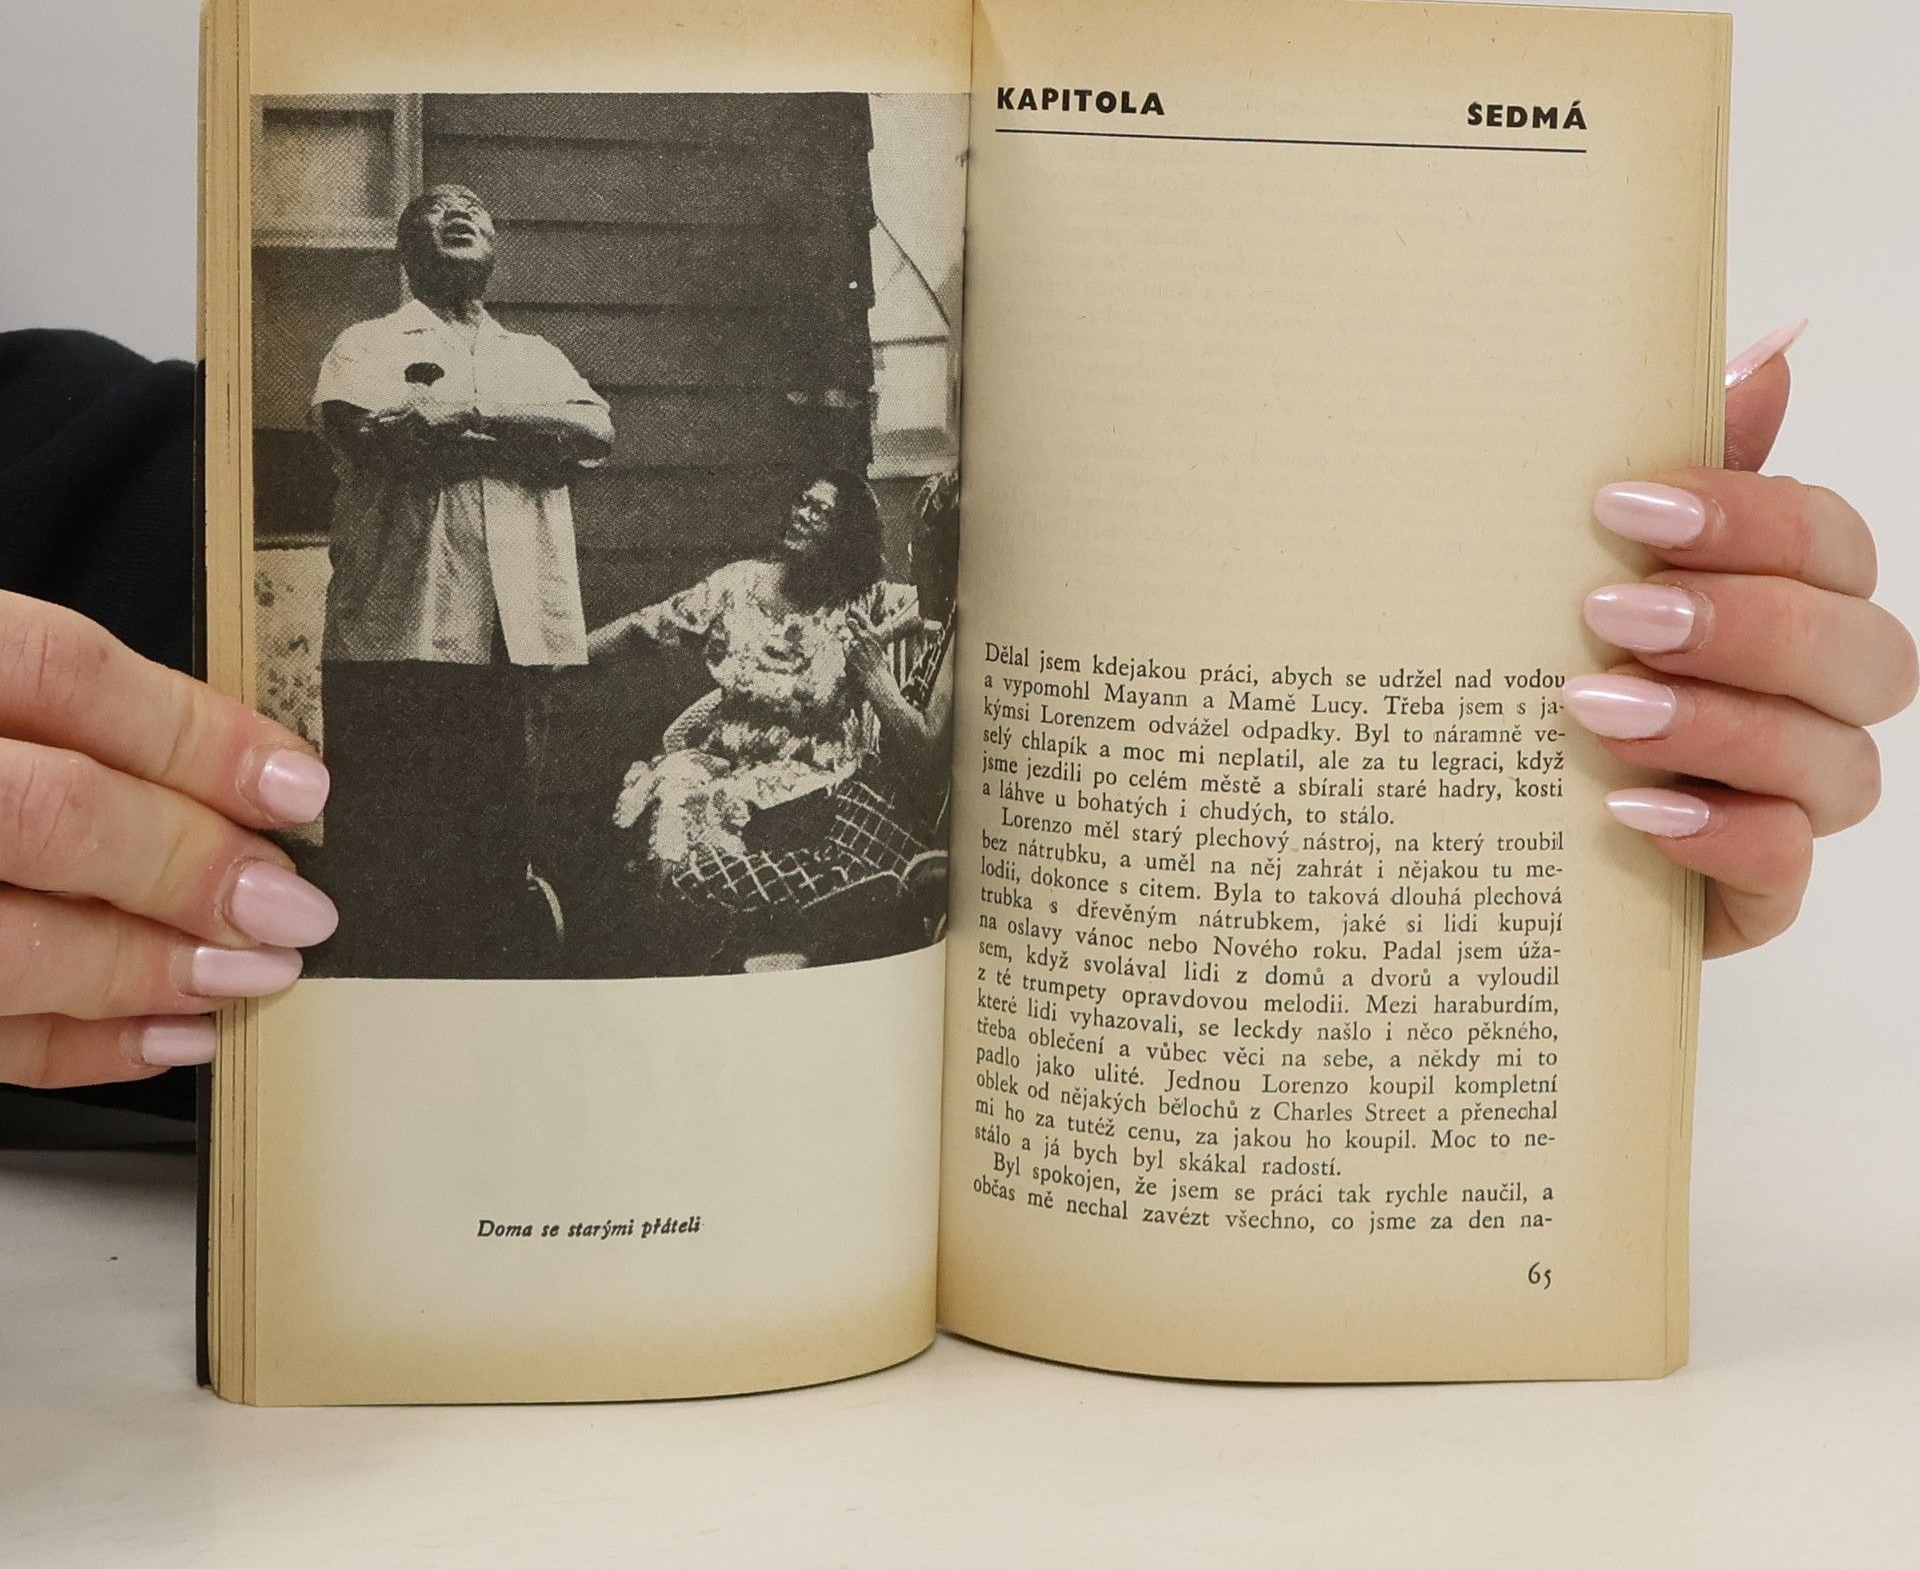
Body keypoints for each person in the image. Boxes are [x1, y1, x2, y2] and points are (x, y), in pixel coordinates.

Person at [0, 323, 1914, 1084]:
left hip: (850, 791)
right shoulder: (728, 589)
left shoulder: (896, 611)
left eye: (827, 514)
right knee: (682, 821)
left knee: (862, 859)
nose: (803, 528)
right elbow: (610, 650)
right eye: (794, 513)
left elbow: (939, 750)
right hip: (697, 775)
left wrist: (1442, 733)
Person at [311, 183, 613, 976]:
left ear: (495, 246)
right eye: (436, 209)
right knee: (387, 855)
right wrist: (524, 443)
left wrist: (468, 415)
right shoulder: (367, 345)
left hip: (508, 643)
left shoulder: (535, 356)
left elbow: (592, 432)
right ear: (406, 250)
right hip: (395, 639)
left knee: (495, 855)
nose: (458, 214)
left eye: (473, 209)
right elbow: (380, 440)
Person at [660, 470, 961, 964]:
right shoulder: (947, 614)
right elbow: (929, 607)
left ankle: (777, 942)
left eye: (921, 549)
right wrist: (887, 635)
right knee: (698, 840)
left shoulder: (951, 630)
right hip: (843, 799)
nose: (911, 556)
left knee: (710, 874)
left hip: (875, 822)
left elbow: (927, 755)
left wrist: (875, 676)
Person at [590, 472, 908, 880]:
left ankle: (720, 899)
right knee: (672, 794)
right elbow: (646, 626)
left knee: (724, 807)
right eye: (801, 502)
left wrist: (887, 634)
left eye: (820, 511)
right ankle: (679, 905)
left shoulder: (863, 601)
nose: (802, 515)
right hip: (722, 756)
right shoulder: (738, 584)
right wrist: (565, 656)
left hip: (809, 773)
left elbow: (936, 601)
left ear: (847, 534)